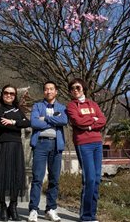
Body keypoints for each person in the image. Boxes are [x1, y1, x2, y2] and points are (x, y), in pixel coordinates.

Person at [65, 78, 107, 222]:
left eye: (78, 87)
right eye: (72, 89)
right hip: (83, 144)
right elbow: (77, 121)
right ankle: (85, 216)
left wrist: (89, 125)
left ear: (83, 88)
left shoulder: (93, 104)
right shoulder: (71, 106)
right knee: (88, 179)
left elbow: (103, 120)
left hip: (97, 143)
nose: (75, 90)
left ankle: (92, 215)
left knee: (96, 180)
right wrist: (93, 120)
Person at [27, 81, 68, 222]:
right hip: (40, 144)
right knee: (37, 178)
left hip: (56, 145)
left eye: (51, 89)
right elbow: (34, 122)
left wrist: (45, 118)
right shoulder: (37, 106)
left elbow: (63, 120)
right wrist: (54, 120)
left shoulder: (62, 107)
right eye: (46, 89)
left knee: (54, 179)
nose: (48, 91)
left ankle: (50, 209)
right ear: (43, 92)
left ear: (56, 91)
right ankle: (33, 209)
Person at [0, 84, 31, 221]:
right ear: (2, 94)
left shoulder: (18, 109)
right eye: (6, 93)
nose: (9, 95)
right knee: (2, 175)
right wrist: (17, 123)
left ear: (15, 96)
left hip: (17, 145)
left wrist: (12, 121)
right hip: (3, 145)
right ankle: (3, 206)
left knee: (16, 176)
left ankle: (13, 207)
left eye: (12, 94)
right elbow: (1, 124)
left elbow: (27, 123)